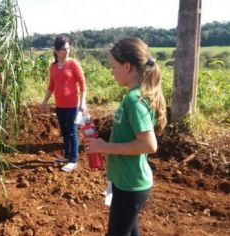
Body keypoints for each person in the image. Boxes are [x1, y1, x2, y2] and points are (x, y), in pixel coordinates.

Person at [85, 38, 167, 235]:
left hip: (131, 185)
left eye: (113, 67)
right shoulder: (133, 96)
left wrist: (104, 147)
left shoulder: (134, 100)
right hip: (127, 182)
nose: (111, 71)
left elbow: (149, 145)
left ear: (127, 67)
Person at [40, 36, 87, 172]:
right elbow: (51, 86)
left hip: (73, 105)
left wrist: (82, 102)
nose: (66, 52)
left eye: (67, 48)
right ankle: (67, 156)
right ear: (56, 51)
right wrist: (44, 101)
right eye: (63, 49)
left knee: (72, 132)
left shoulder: (73, 64)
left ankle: (74, 159)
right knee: (65, 131)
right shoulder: (53, 66)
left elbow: (83, 84)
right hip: (60, 106)